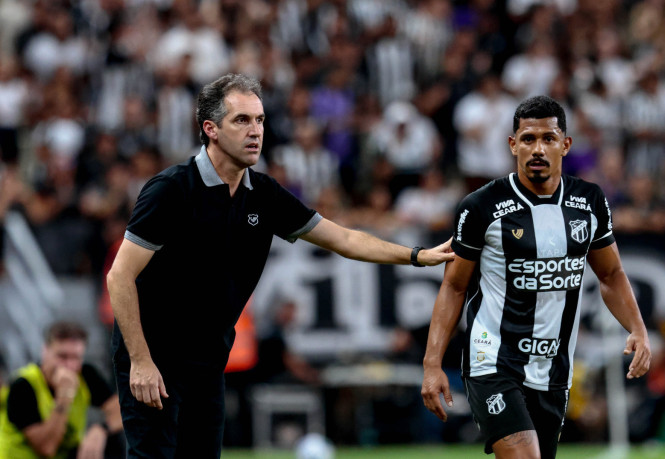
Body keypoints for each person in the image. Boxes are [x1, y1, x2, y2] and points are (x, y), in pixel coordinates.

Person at [105, 73, 454, 458]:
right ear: (211, 129)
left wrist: (416, 255)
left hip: (207, 358)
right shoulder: (171, 189)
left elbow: (345, 239)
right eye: (241, 120)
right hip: (154, 354)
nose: (255, 131)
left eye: (259, 120)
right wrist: (140, 361)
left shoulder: (264, 195)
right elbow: (119, 276)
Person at [421, 95, 651, 458]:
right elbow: (453, 286)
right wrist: (432, 364)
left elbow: (610, 274)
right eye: (528, 139)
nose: (538, 149)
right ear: (513, 145)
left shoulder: (589, 201)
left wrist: (637, 329)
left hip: (553, 369)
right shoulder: (481, 206)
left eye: (548, 138)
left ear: (566, 144)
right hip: (493, 360)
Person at [0, 321, 123, 459]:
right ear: (45, 351)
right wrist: (64, 397)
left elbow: (120, 411)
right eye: (62, 356)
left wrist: (101, 430)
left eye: (76, 357)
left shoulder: (85, 374)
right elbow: (47, 448)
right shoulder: (23, 386)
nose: (69, 365)